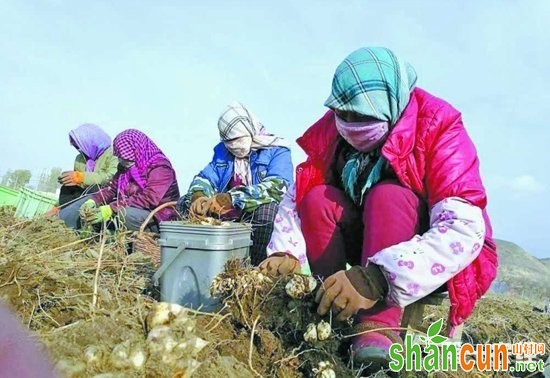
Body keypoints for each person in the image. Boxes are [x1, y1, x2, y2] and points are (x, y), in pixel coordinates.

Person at [259, 47, 497, 366]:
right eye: (344, 115)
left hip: (428, 252)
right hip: (369, 235)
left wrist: (378, 278)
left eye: (363, 118)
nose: (351, 126)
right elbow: (300, 193)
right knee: (318, 199)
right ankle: (329, 307)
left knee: (389, 195)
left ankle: (377, 325)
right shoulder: (332, 130)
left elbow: (462, 229)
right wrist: (284, 253)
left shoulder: (439, 127)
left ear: (392, 105)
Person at [178, 102, 293, 265]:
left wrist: (232, 198)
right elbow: (206, 177)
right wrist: (199, 195)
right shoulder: (222, 153)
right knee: (184, 202)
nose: (233, 145)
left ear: (250, 130)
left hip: (253, 212)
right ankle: (196, 263)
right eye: (228, 141)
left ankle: (257, 267)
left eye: (237, 139)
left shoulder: (277, 150)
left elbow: (278, 187)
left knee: (268, 211)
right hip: (228, 213)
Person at [61, 129, 180, 232]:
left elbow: (148, 199)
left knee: (125, 214)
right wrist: (93, 201)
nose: (122, 160)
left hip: (159, 217)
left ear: (136, 150)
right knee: (95, 203)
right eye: (120, 157)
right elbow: (111, 189)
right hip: (135, 209)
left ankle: (137, 243)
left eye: (125, 156)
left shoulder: (160, 168)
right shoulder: (125, 167)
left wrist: (111, 208)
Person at [55, 123, 117, 218]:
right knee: (67, 189)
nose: (79, 149)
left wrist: (82, 177)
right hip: (82, 195)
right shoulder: (80, 159)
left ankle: (81, 220)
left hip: (103, 196)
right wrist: (57, 206)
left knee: (94, 189)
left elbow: (110, 177)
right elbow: (76, 184)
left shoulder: (113, 155)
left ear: (91, 142)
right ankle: (65, 215)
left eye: (80, 145)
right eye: (77, 146)